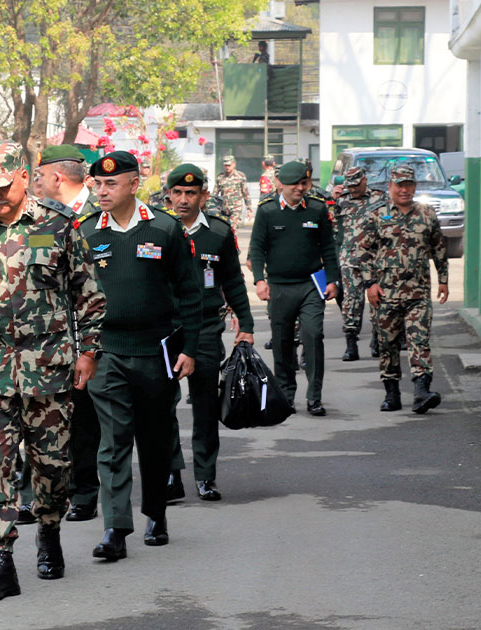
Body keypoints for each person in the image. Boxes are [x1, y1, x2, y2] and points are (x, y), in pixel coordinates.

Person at [0, 140, 105, 602]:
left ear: (23, 176)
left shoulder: (58, 226)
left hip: (48, 369)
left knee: (52, 466)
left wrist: (89, 351)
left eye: (2, 186)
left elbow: (89, 294)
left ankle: (49, 531)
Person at [76, 150, 202, 559]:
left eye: (111, 184)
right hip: (107, 352)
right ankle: (115, 529)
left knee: (155, 438)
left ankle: (156, 513)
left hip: (156, 352)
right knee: (112, 443)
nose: (101, 191)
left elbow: (190, 293)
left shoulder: (165, 229)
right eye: (97, 183)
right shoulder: (86, 232)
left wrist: (189, 348)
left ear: (134, 184)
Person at [164, 164, 253, 501]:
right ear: (169, 195)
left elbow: (232, 280)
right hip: (165, 330)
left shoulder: (218, 232)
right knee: (163, 406)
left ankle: (205, 475)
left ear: (204, 195)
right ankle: (171, 474)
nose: (183, 199)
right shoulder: (158, 229)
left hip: (204, 329)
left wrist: (246, 324)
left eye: (191, 193)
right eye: (177, 193)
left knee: (205, 407)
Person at [36, 145, 102, 522]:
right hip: (54, 337)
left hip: (97, 332)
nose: (38, 183)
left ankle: (88, 491)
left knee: (89, 420)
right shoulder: (41, 220)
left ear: (57, 177)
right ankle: (62, 491)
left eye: (41, 176)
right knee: (57, 419)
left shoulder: (100, 213)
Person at [355, 165, 449, 414]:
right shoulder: (377, 215)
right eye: (399, 185)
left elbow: (439, 248)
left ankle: (421, 391)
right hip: (386, 294)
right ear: (390, 187)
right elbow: (363, 251)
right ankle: (392, 394)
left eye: (408, 185)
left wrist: (443, 280)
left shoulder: (427, 214)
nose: (404, 190)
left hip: (418, 293)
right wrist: (370, 283)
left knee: (419, 340)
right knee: (388, 345)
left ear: (415, 187)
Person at [249, 160, 338, 416]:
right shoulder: (267, 211)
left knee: (313, 335)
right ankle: (286, 395)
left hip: (310, 285)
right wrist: (260, 280)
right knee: (282, 343)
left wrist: (333, 280)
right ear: (280, 184)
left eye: (304, 183)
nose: (299, 188)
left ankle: (314, 397)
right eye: (294, 184)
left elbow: (328, 247)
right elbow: (257, 247)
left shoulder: (317, 209)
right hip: (279, 287)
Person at [332, 166, 387, 361]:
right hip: (350, 259)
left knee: (378, 301)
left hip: (375, 259)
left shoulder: (380, 198)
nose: (353, 189)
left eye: (356, 185)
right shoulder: (342, 200)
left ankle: (377, 339)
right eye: (350, 186)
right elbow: (330, 223)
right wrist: (332, 200)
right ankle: (351, 344)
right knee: (351, 301)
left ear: (365, 180)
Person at [215, 155, 250, 225]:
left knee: (232, 227)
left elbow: (245, 193)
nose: (227, 167)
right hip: (224, 208)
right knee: (224, 228)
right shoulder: (220, 177)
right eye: (225, 165)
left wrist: (249, 209)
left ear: (234, 164)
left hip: (236, 208)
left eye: (229, 165)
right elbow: (215, 193)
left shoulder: (240, 176)